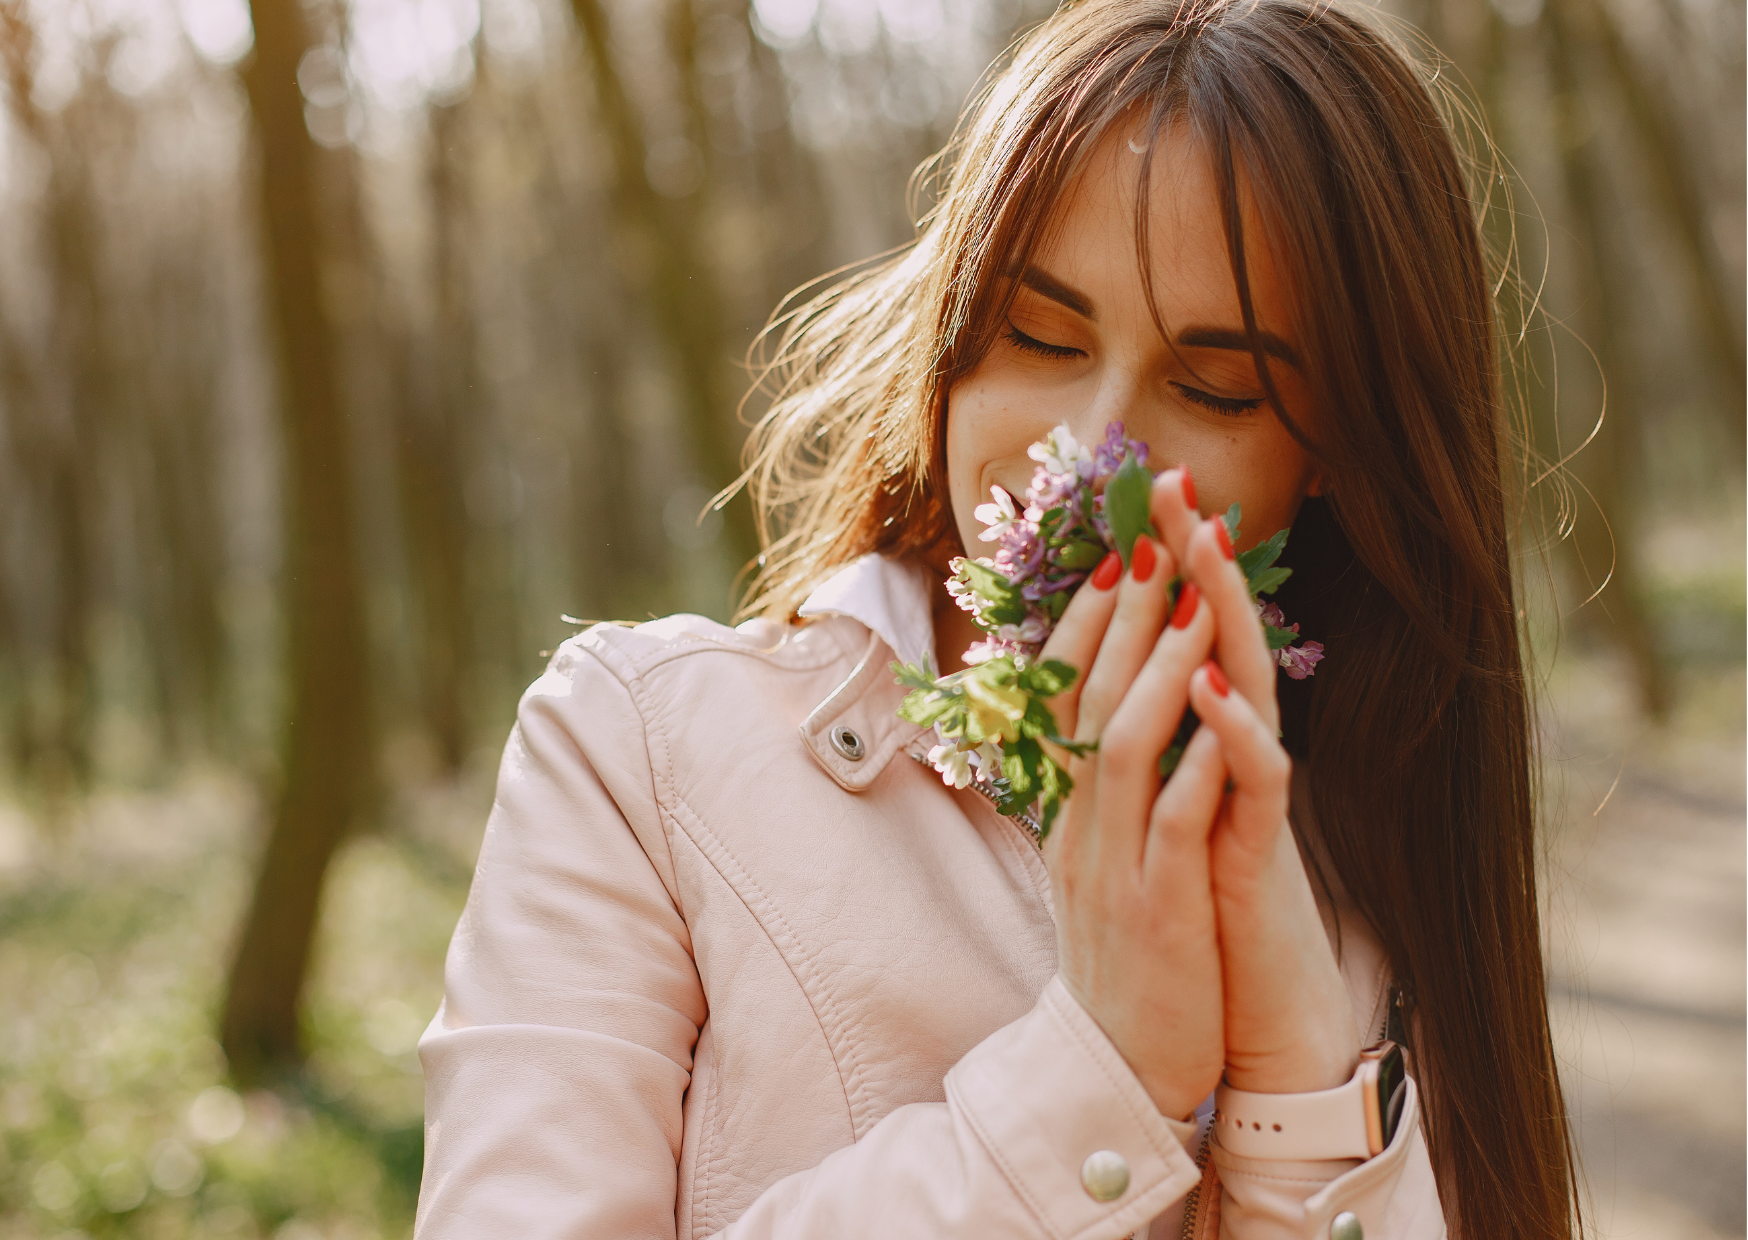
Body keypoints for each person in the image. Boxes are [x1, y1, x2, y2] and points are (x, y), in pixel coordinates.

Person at [414, 1, 1580, 1237]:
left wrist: (1301, 1091)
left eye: (1214, 386)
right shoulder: (639, 754)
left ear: (1335, 451)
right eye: (1037, 333)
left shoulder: (1371, 852)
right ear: (956, 331)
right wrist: (1102, 1079)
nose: (1088, 448)